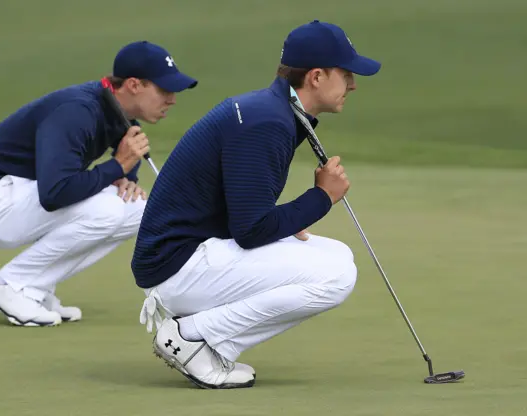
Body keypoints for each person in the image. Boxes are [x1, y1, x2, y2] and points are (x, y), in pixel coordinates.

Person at [132, 20, 381, 389]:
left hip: (189, 254)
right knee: (336, 276)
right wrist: (321, 197)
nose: (353, 84)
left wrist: (291, 218)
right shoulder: (268, 122)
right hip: (177, 267)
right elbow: (250, 232)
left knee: (338, 256)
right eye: (346, 74)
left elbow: (245, 213)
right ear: (316, 76)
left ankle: (200, 339)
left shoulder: (273, 111)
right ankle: (194, 337)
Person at [0, 41, 198, 327]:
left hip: (17, 197)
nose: (172, 99)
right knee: (108, 210)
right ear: (133, 85)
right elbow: (55, 193)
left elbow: (124, 156)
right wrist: (117, 166)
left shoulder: (117, 112)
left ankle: (34, 289)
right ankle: (10, 284)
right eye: (164, 90)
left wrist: (125, 176)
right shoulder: (76, 111)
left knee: (136, 209)